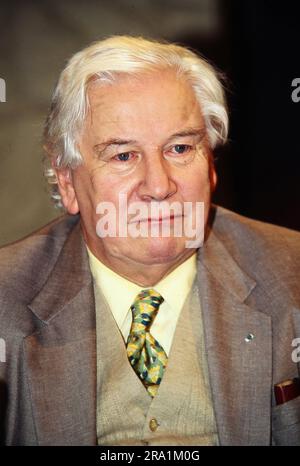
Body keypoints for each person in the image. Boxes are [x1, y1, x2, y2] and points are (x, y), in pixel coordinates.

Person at [0, 35, 299, 447]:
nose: (159, 187)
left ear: (211, 166)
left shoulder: (293, 272)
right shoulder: (4, 300)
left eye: (179, 148)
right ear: (67, 181)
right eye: (123, 156)